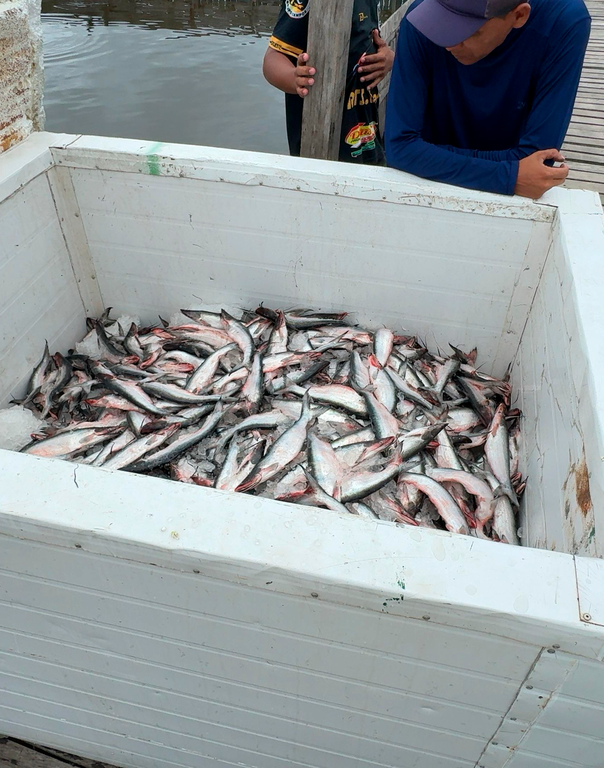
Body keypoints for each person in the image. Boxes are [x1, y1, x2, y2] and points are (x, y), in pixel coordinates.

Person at [385, 0, 591, 198]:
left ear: (519, 15)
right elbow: (400, 146)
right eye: (441, 20)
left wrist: (427, 157)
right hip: (424, 191)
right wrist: (508, 175)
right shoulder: (420, 18)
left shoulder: (563, 20)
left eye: (468, 30)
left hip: (436, 180)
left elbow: (538, 160)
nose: (446, 41)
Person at [263, 0, 395, 164]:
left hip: (368, 141)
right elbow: (272, 59)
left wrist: (388, 57)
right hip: (319, 149)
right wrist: (294, 78)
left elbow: (369, 41)